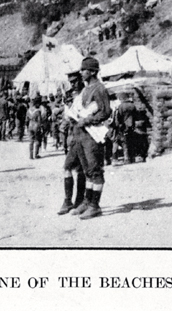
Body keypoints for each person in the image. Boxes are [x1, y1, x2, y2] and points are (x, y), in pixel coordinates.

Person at [69, 56, 112, 220]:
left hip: (93, 135)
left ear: (93, 71)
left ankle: (95, 205)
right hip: (81, 134)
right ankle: (87, 201)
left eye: (84, 70)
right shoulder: (86, 89)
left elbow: (106, 112)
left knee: (95, 170)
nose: (81, 73)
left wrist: (87, 120)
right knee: (87, 170)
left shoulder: (99, 89)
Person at [57, 71, 87, 215]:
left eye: (75, 81)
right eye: (71, 82)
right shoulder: (71, 95)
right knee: (67, 167)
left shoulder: (87, 93)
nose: (73, 84)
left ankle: (79, 200)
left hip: (85, 135)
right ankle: (68, 200)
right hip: (74, 136)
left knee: (81, 169)